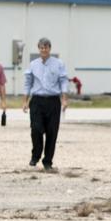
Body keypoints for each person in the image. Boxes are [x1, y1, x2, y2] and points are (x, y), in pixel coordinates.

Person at [21, 38, 69, 171]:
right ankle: (35, 155)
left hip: (53, 101)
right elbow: (27, 83)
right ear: (38, 49)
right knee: (36, 129)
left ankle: (48, 161)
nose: (44, 50)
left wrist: (64, 99)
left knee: (52, 132)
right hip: (37, 100)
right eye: (41, 47)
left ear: (50, 48)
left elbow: (64, 81)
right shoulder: (33, 64)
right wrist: (25, 101)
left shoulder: (58, 64)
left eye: (46, 47)